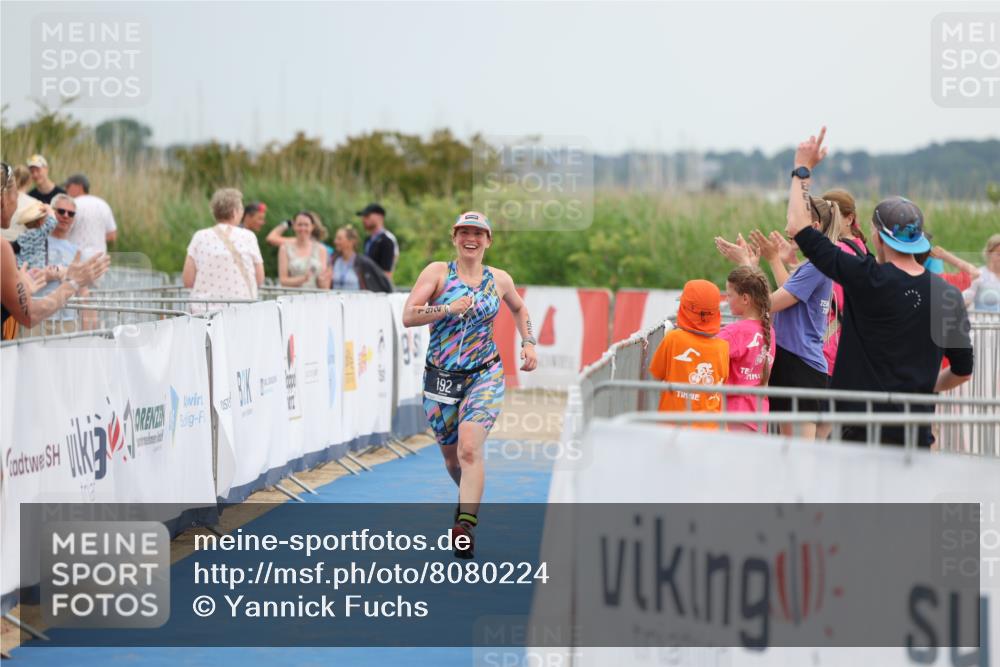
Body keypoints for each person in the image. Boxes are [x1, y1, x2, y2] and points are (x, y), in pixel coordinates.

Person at [784, 127, 973, 447]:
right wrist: (928, 387)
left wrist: (803, 168)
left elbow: (798, 227)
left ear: (878, 238)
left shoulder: (866, 276)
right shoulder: (947, 296)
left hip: (859, 435)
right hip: (913, 438)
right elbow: (963, 370)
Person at [402, 211, 537, 559]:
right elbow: (409, 315)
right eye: (464, 232)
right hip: (441, 378)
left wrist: (528, 342)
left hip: (485, 374)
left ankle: (465, 526)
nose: (470, 238)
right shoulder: (437, 273)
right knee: (452, 460)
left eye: (478, 233)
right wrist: (446, 308)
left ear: (488, 240)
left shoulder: (500, 279)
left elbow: (520, 310)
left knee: (469, 449)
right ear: (454, 238)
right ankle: (466, 500)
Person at [716, 196, 840, 440]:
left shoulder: (816, 266)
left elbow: (767, 303)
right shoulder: (811, 265)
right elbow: (785, 296)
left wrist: (747, 266)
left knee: (799, 453)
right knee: (790, 452)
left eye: (792, 221)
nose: (787, 228)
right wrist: (762, 263)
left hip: (801, 366)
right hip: (795, 363)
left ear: (814, 227)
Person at [1, 162, 109, 340]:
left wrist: (24, 286)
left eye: (71, 214)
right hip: (37, 322)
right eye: (17, 198)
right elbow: (30, 315)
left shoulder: (75, 250)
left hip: (61, 319)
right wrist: (73, 281)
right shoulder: (14, 245)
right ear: (4, 200)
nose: (18, 206)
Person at [647, 279, 729, 429]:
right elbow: (722, 379)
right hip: (710, 428)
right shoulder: (722, 347)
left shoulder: (673, 338)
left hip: (673, 425)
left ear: (684, 309)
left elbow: (656, 375)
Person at [182, 188, 264, 313]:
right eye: (241, 208)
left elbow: (188, 280)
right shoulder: (248, 237)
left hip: (203, 312)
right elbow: (260, 279)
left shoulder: (199, 237)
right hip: (240, 310)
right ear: (235, 211)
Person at [27, 194, 97, 334]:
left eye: (70, 214)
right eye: (61, 211)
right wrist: (46, 275)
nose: (66, 216)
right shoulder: (34, 241)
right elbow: (21, 280)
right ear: (52, 212)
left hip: (66, 321)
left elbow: (83, 292)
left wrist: (88, 331)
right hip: (37, 318)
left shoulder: (76, 252)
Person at [718, 266, 776, 432]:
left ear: (745, 298)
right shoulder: (770, 331)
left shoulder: (735, 332)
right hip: (758, 415)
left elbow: (706, 351)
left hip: (734, 414)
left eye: (729, 295)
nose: (727, 300)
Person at [64, 174, 118, 256]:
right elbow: (112, 236)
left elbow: (62, 233)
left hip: (76, 260)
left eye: (68, 186)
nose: (65, 190)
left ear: (79, 187)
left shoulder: (71, 206)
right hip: (99, 261)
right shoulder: (103, 204)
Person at [329, 225, 393, 292]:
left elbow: (383, 282)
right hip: (336, 300)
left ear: (351, 241)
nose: (335, 241)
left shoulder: (363, 263)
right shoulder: (333, 260)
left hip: (357, 300)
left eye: (339, 239)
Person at [276, 211, 331, 288]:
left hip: (315, 296)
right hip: (292, 296)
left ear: (312, 227)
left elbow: (324, 285)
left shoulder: (321, 249)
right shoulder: (285, 248)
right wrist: (303, 279)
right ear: (294, 226)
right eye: (299, 225)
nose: (303, 228)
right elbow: (283, 280)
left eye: (306, 225)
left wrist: (323, 280)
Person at [357, 203, 399, 279]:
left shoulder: (387, 239)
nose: (363, 219)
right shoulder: (368, 239)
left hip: (379, 286)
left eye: (367, 216)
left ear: (380, 216)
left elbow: (388, 269)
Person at [962, 234, 1000, 313]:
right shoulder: (978, 275)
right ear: (989, 254)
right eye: (998, 254)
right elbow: (964, 300)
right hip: (984, 322)